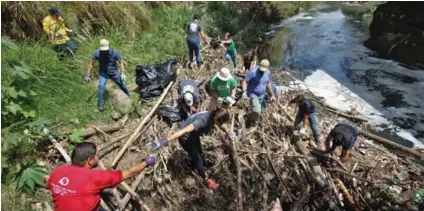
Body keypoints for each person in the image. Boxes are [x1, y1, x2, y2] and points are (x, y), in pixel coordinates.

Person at [46, 142, 156, 211]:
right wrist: (147, 161)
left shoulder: (58, 172)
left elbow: (49, 185)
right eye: (97, 155)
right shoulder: (95, 177)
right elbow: (130, 172)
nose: (99, 157)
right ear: (90, 160)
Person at [148, 108, 236, 190]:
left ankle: (196, 167)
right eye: (220, 122)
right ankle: (205, 178)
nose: (220, 125)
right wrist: (164, 140)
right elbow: (184, 130)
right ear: (216, 119)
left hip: (194, 136)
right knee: (197, 157)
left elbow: (222, 125)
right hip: (186, 138)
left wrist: (228, 132)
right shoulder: (203, 121)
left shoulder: (212, 114)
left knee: (200, 153)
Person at [85, 39, 130, 112]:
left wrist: (122, 73)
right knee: (101, 87)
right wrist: (87, 74)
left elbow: (121, 62)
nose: (105, 51)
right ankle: (100, 105)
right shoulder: (97, 53)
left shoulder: (115, 52)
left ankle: (129, 96)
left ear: (109, 46)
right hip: (103, 73)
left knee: (121, 84)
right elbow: (91, 64)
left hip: (114, 72)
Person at [241, 59, 275, 124]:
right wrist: (244, 92)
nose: (262, 71)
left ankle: (251, 121)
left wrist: (272, 95)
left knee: (258, 111)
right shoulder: (253, 72)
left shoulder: (267, 72)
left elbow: (268, 83)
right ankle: (247, 117)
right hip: (252, 94)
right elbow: (244, 81)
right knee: (257, 111)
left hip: (261, 95)